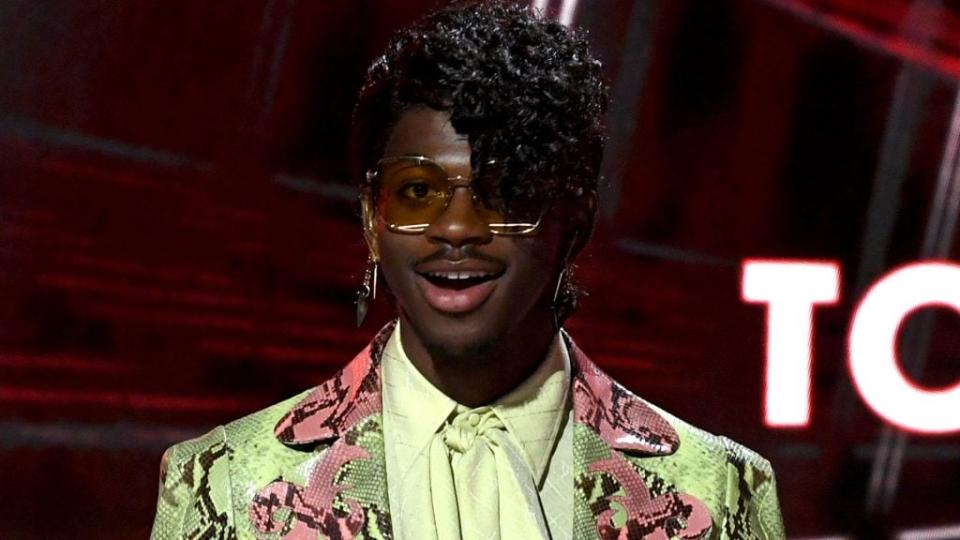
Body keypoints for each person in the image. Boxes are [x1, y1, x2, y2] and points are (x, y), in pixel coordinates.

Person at [150, 2, 786, 539]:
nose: (456, 229)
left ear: (575, 221)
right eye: (418, 192)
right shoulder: (228, 484)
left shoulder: (722, 494)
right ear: (372, 221)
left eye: (503, 192)